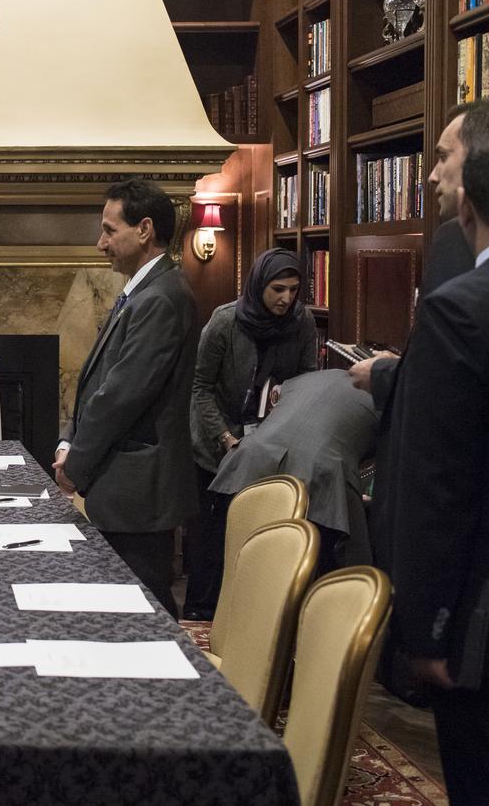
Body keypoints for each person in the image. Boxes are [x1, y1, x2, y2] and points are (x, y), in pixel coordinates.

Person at [385, 145, 489, 805]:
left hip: (476, 621)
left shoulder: (458, 311)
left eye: (446, 156)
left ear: (470, 201)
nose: (433, 173)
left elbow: (436, 488)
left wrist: (420, 630)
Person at [53, 179, 197, 617]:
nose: (101, 243)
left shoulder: (161, 297)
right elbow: (98, 384)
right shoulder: (145, 290)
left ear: (145, 229)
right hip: (125, 489)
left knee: (147, 612)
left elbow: (120, 397)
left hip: (139, 493)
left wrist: (75, 466)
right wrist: (68, 440)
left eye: (110, 230)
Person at [184, 248, 318, 618]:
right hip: (217, 447)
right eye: (277, 289)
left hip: (270, 446)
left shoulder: (301, 322)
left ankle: (249, 626)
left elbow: (307, 381)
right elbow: (199, 388)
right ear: (259, 284)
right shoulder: (225, 321)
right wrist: (226, 439)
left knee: (258, 541)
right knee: (210, 544)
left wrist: (284, 396)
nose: (286, 298)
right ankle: (201, 616)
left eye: (293, 290)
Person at [349, 102, 479, 406]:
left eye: (443, 157)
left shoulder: (454, 237)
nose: (431, 176)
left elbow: (447, 381)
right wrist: (403, 363)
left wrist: (383, 374)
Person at [208, 369, 378, 569]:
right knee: (350, 570)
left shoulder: (302, 379)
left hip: (250, 461)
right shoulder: (391, 400)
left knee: (235, 566)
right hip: (321, 480)